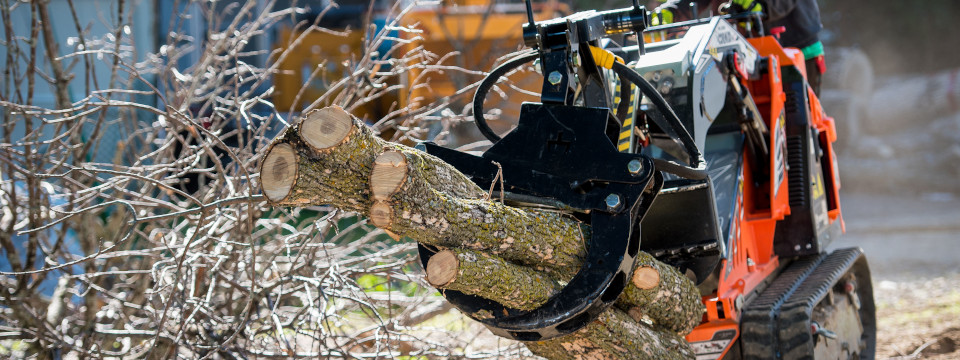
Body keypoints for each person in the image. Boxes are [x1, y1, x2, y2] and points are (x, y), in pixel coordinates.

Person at [654, 0, 825, 95]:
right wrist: (673, 12)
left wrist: (762, 4)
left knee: (797, 123)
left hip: (796, 49)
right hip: (741, 53)